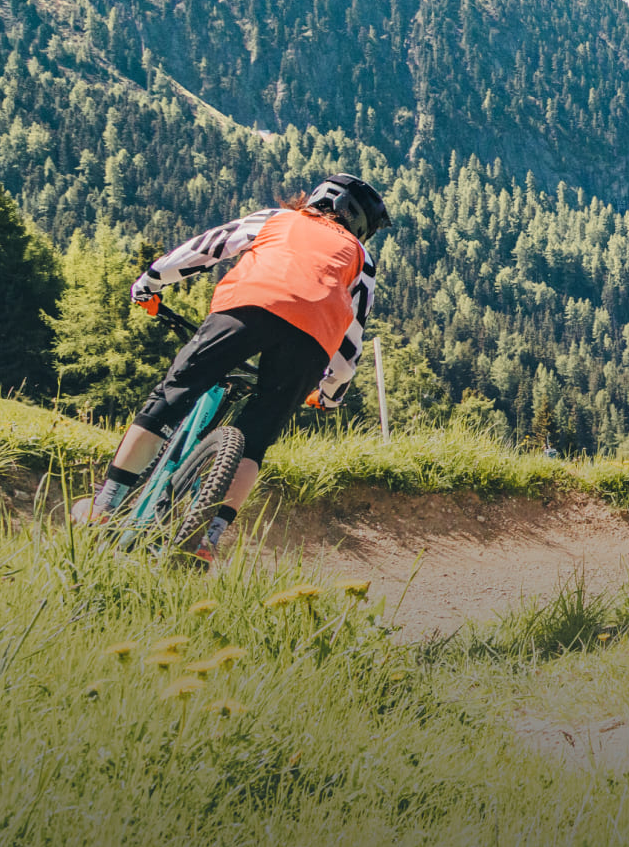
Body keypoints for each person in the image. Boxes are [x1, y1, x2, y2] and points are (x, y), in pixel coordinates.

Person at [70, 174, 389, 563]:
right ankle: (207, 539)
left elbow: (204, 250)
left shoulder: (276, 219)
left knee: (171, 397)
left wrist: (150, 283)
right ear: (360, 226)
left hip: (247, 309)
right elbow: (352, 335)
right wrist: (329, 393)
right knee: (254, 442)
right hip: (311, 343)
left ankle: (105, 508)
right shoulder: (361, 257)